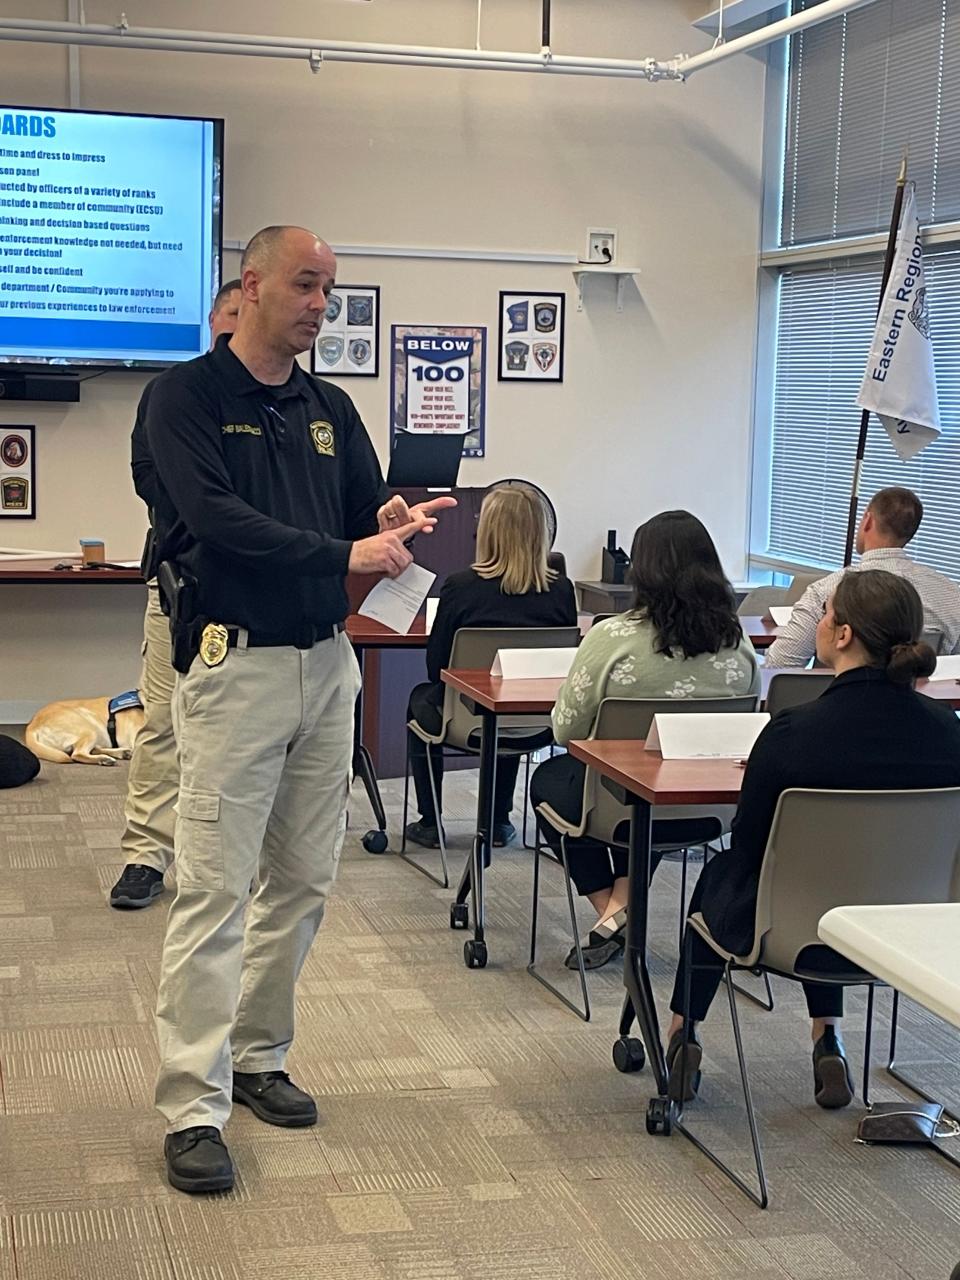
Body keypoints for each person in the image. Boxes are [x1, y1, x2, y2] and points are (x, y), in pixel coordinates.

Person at [146, 225, 454, 1194]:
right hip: (234, 666)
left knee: (303, 881)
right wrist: (346, 553)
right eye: (307, 285)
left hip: (328, 668)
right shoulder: (185, 399)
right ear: (254, 284)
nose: (322, 304)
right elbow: (215, 521)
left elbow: (363, 515)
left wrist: (390, 526)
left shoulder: (330, 407)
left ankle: (257, 1053)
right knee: (213, 887)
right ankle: (193, 1103)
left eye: (330, 289)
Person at [667, 570, 960, 1109]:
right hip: (909, 935)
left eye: (826, 615)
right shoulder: (951, 734)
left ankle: (682, 1034)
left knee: (732, 873)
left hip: (793, 928)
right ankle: (828, 1036)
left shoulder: (791, 733)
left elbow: (751, 846)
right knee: (830, 882)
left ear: (843, 635)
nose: (821, 624)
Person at [530, 510, 760, 969]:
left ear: (642, 568)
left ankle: (612, 912)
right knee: (651, 798)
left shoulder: (610, 637)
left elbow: (566, 730)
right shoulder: (740, 645)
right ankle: (623, 905)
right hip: (710, 810)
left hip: (617, 805)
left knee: (553, 782)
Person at [110, 279, 243, 910]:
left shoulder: (278, 404)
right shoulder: (171, 394)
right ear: (215, 319)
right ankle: (145, 854)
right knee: (162, 723)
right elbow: (147, 475)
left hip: (253, 599)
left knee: (240, 732)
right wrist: (207, 510)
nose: (241, 329)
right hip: (180, 587)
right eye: (233, 317)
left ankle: (222, 855)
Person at [405, 484, 577, 850]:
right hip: (539, 724)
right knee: (513, 692)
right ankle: (498, 821)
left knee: (422, 698)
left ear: (489, 532)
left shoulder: (461, 587)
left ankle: (430, 822)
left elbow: (437, 668)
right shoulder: (562, 590)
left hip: (466, 722)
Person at [766, 487, 960, 667]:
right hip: (920, 702)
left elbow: (780, 665)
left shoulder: (828, 590)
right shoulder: (951, 594)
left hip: (840, 701)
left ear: (867, 520)